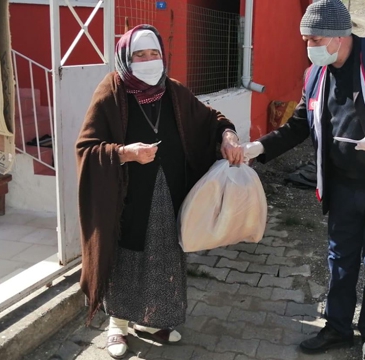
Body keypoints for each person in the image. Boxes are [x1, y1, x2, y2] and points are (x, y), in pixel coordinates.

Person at [242, 1, 365, 359]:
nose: (309, 46)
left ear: (339, 36)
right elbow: (299, 126)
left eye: (314, 38)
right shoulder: (314, 75)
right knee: (340, 260)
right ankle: (337, 329)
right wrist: (258, 147)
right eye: (305, 39)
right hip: (343, 186)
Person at [75, 25, 243, 359]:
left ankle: (151, 321)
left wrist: (228, 137)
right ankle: (118, 325)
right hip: (127, 199)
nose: (149, 61)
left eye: (154, 54)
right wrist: (125, 153)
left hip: (169, 195)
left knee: (163, 256)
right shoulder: (111, 93)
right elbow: (86, 148)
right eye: (140, 55)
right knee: (125, 258)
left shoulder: (174, 92)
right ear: (126, 57)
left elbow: (212, 119)